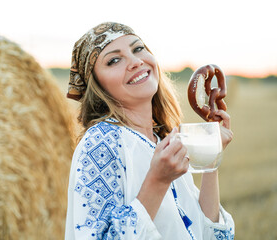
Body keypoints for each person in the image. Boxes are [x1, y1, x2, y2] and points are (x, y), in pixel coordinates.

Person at [65, 22, 234, 240]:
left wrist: (210, 158)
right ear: (97, 85)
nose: (135, 62)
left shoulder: (163, 141)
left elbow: (207, 234)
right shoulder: (101, 142)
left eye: (137, 49)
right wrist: (158, 180)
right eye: (114, 60)